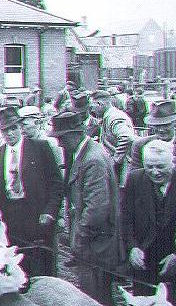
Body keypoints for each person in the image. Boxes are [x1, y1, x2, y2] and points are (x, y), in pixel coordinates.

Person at [50, 111, 121, 305]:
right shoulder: (86, 152)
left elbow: (96, 208)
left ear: (74, 134)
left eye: (61, 138)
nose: (59, 144)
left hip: (96, 245)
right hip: (94, 242)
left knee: (94, 297)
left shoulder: (92, 160)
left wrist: (78, 240)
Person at [0, 107, 64, 277]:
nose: (9, 134)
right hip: (11, 217)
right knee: (18, 265)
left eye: (13, 128)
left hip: (37, 216)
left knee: (41, 265)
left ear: (20, 127)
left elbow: (56, 184)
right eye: (5, 130)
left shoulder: (40, 148)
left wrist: (50, 212)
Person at [121, 140, 176, 297]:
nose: (155, 172)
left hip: (174, 264)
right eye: (149, 167)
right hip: (143, 262)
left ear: (173, 162)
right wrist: (132, 248)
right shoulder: (134, 179)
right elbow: (125, 218)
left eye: (161, 167)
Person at [127, 100, 176, 175]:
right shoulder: (140, 145)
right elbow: (135, 177)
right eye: (157, 125)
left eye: (166, 125)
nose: (161, 130)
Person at [90, 90, 136, 180]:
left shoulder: (115, 117)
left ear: (100, 104)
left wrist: (116, 160)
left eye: (92, 107)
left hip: (121, 168)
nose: (92, 110)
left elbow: (127, 137)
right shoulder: (109, 116)